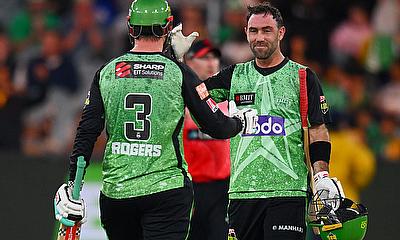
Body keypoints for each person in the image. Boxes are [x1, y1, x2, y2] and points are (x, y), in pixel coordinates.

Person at [53, 1, 258, 239]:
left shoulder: (107, 72)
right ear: (168, 26)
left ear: (130, 27)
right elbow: (216, 126)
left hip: (117, 194)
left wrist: (72, 186)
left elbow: (86, 133)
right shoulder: (179, 73)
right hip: (166, 191)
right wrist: (240, 122)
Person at [174, 2, 344, 240]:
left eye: (267, 30)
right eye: (253, 31)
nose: (259, 37)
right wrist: (178, 61)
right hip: (241, 194)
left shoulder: (303, 76)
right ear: (246, 32)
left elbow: (318, 129)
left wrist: (321, 175)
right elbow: (194, 95)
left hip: (288, 193)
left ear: (281, 32)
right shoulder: (234, 75)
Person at [183, 39, 230, 240]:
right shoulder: (178, 99)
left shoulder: (228, 100)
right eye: (205, 57)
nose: (212, 63)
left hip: (222, 189)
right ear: (189, 61)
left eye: (215, 57)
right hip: (189, 189)